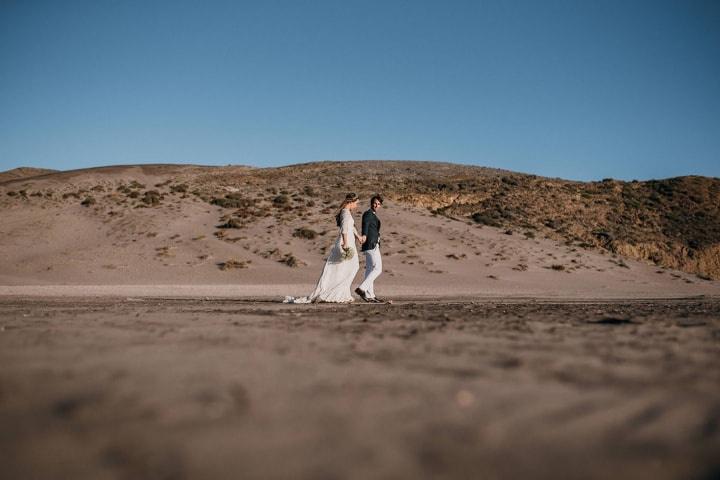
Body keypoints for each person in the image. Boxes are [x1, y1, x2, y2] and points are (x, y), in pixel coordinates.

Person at [284, 193, 365, 303]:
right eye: (356, 203)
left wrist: (358, 236)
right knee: (350, 267)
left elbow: (351, 227)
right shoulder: (345, 214)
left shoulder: (346, 212)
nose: (356, 205)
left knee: (344, 268)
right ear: (350, 202)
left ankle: (340, 292)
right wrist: (345, 244)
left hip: (349, 241)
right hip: (346, 243)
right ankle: (334, 293)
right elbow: (344, 230)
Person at [355, 195, 384, 303]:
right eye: (375, 203)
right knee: (378, 269)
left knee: (370, 270)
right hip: (371, 244)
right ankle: (362, 288)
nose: (376, 205)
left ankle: (370, 295)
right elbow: (365, 225)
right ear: (371, 203)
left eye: (378, 204)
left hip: (372, 244)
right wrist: (364, 236)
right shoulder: (368, 214)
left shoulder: (373, 215)